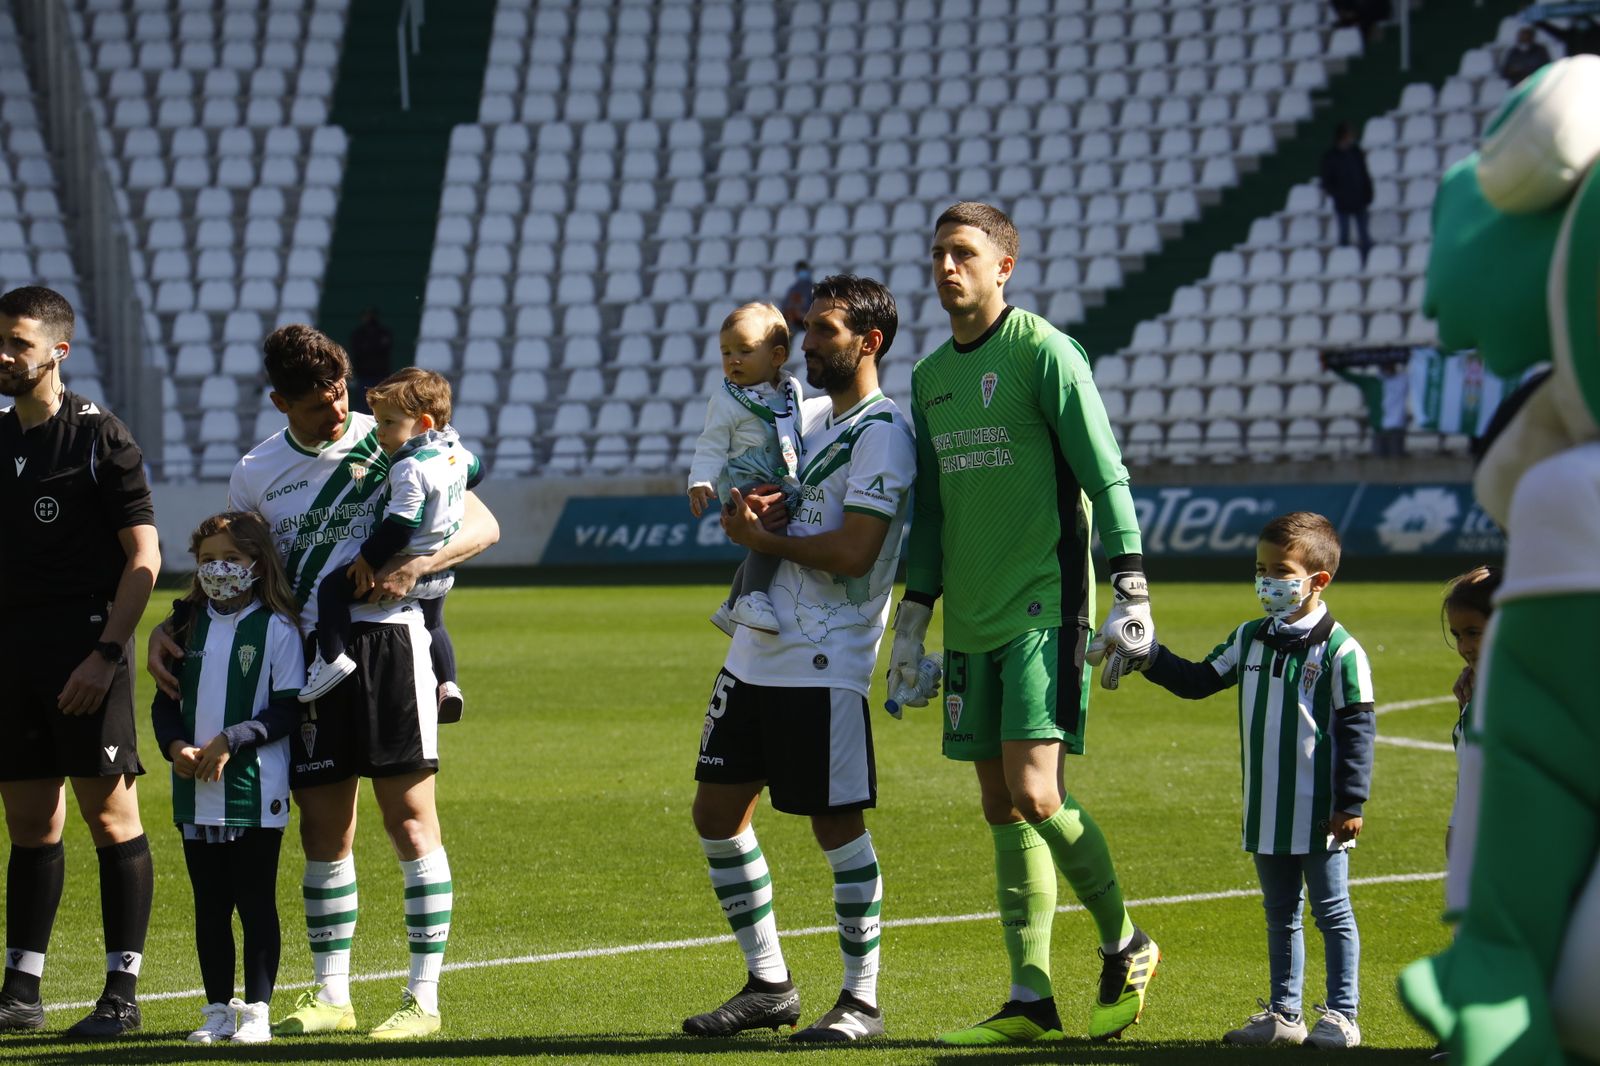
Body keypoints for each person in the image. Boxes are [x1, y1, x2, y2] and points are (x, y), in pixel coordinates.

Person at [146, 324, 499, 1041]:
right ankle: (332, 994)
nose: (336, 413)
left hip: (393, 645)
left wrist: (418, 568)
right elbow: (236, 563)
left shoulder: (397, 436)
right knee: (323, 830)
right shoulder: (256, 471)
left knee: (408, 818)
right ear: (280, 402)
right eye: (316, 405)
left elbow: (483, 522)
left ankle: (421, 1000)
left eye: (339, 395)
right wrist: (173, 622)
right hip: (306, 657)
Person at [887, 202, 1160, 1046]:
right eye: (937, 254)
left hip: (1046, 604)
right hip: (968, 617)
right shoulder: (930, 378)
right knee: (1001, 806)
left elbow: (1104, 471)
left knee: (1037, 792)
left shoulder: (1043, 350)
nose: (945, 268)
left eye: (962, 253)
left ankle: (1127, 941)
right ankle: (1030, 996)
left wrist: (1132, 587)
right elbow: (930, 512)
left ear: (1004, 266)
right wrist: (912, 624)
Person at [683, 274, 915, 1043]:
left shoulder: (883, 432)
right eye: (805, 328)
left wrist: (763, 541)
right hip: (755, 655)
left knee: (835, 825)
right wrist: (743, 511)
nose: (806, 343)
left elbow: (855, 552)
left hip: (824, 662)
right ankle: (769, 983)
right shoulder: (805, 418)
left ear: (868, 343)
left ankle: (862, 1000)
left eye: (822, 331)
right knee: (716, 815)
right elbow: (762, 497)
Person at [1120, 511, 1374, 1049]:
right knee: (1280, 913)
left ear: (1317, 580)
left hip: (1320, 809)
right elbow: (1195, 681)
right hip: (1265, 807)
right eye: (1260, 569)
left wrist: (1350, 802)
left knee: (1332, 911)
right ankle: (1285, 1015)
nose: (1265, 580)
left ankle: (1343, 1015)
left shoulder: (1342, 651)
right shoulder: (1250, 637)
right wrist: (1148, 655)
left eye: (1278, 570)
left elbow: (1357, 732)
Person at [0, 286, 161, 1039]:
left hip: (86, 648)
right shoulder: (1, 440)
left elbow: (145, 559)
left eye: (17, 344)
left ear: (57, 351)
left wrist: (105, 655)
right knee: (29, 821)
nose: (4, 355)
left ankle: (121, 996)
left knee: (109, 815)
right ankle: (21, 990)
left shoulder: (101, 438)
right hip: (13, 653)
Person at [151, 511, 305, 1045]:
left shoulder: (277, 629)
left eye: (233, 559)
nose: (220, 569)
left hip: (255, 791)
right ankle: (217, 1009)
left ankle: (257, 1012)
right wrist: (175, 746)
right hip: (195, 793)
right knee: (210, 906)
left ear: (257, 565)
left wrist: (232, 740)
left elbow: (288, 709)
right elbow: (164, 706)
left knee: (255, 901)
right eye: (209, 560)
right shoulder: (183, 626)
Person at [300, 368, 481, 727]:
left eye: (388, 422)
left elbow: (401, 525)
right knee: (434, 623)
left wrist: (368, 558)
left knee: (332, 588)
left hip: (402, 566)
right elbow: (478, 472)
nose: (378, 431)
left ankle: (331, 659)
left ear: (424, 423)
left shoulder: (408, 468)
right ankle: (448, 684)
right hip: (441, 568)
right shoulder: (455, 451)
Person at [688, 302, 804, 636]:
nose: (733, 360)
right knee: (771, 534)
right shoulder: (726, 399)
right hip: (745, 483)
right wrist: (700, 481)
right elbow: (711, 443)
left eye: (744, 350)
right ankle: (752, 599)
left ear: (777, 356)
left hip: (777, 477)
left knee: (760, 545)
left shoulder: (791, 390)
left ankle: (731, 604)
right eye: (725, 352)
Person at [1440, 565, 1500, 859]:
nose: (1465, 647)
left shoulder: (1529, 701)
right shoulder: (1474, 695)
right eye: (1457, 635)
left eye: (1473, 633)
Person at [1328, 356, 1409, 457]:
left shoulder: (1403, 379)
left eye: (1390, 365)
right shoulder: (1372, 382)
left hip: (1396, 428)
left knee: (1397, 462)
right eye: (1385, 365)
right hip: (1378, 428)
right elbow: (1351, 376)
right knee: (1378, 463)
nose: (1388, 368)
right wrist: (1332, 364)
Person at [1320, 122, 1374, 258]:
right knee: (1344, 235)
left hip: (1359, 199)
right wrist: (1337, 194)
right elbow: (1327, 181)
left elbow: (1364, 174)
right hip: (1342, 201)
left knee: (1364, 234)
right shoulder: (1331, 156)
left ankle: (1367, 260)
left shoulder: (1356, 152)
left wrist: (1368, 193)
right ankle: (1344, 261)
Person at [346, 308, 393, 414]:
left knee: (380, 402)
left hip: (379, 375)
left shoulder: (383, 333)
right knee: (364, 406)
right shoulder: (359, 334)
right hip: (364, 375)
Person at [780, 261, 813, 335]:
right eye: (800, 271)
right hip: (793, 322)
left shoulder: (813, 288)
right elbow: (785, 306)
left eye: (804, 270)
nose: (802, 273)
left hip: (807, 323)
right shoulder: (793, 289)